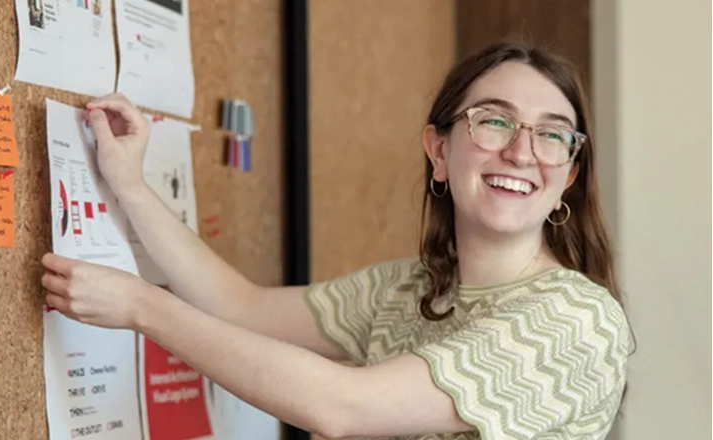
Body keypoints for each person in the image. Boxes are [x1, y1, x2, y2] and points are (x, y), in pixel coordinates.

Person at [41, 41, 634, 439]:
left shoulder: (579, 321)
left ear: (568, 177)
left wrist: (142, 308)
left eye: (552, 135)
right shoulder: (409, 290)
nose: (523, 152)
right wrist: (132, 187)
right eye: (495, 121)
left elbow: (342, 405)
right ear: (439, 151)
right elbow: (241, 307)